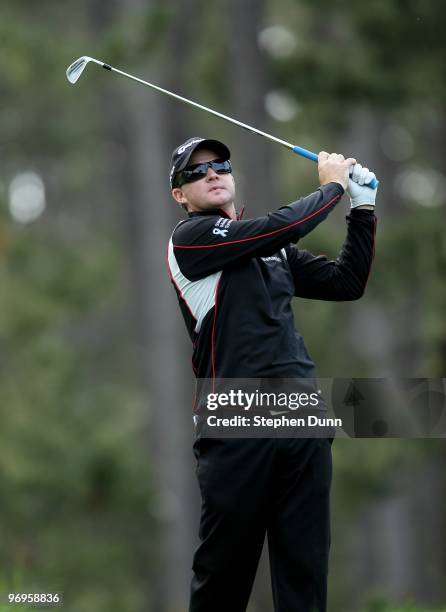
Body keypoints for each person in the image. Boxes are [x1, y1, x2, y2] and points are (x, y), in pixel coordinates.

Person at [167, 136, 377, 612]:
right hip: (236, 422)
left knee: (305, 581)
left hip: (302, 416)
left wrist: (362, 210)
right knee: (223, 582)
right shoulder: (190, 241)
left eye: (219, 165)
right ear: (180, 196)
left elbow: (347, 283)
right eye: (196, 173)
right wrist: (333, 189)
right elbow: (280, 226)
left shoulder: (271, 249)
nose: (212, 174)